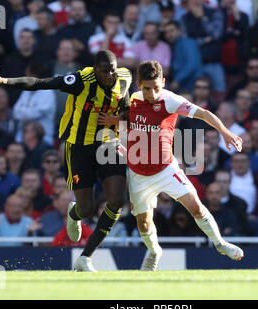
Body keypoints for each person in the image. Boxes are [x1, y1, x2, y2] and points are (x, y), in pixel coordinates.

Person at [0, 49, 132, 272]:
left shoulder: (124, 77)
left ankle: (86, 257)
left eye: (111, 70)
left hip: (108, 143)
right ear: (95, 70)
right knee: (86, 208)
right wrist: (4, 81)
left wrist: (118, 119)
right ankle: (74, 214)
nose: (109, 75)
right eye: (104, 71)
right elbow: (40, 82)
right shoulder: (81, 79)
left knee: (117, 201)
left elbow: (128, 110)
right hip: (79, 147)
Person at [104, 60, 244, 271]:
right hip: (138, 174)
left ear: (163, 81)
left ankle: (220, 243)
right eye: (146, 88)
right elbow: (130, 121)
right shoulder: (133, 99)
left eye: (156, 88)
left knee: (195, 206)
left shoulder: (170, 101)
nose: (152, 94)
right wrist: (115, 122)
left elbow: (204, 114)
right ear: (139, 84)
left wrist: (225, 132)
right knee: (143, 223)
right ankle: (154, 251)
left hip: (166, 170)